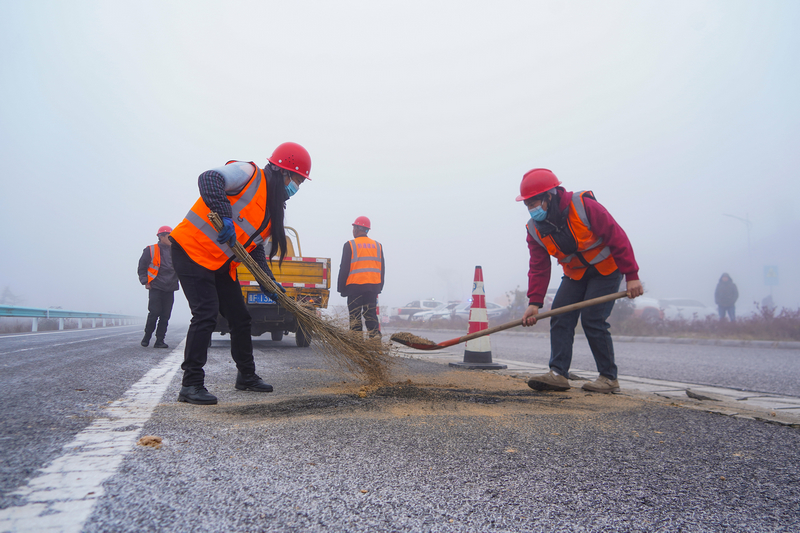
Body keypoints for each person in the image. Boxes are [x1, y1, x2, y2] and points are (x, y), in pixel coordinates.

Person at [168, 142, 311, 405]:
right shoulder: (249, 173)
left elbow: (254, 249)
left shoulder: (270, 211)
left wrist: (268, 283)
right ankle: (191, 384)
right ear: (282, 172)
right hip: (191, 250)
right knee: (206, 313)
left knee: (240, 318)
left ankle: (246, 376)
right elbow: (209, 178)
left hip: (220, 263)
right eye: (297, 180)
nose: (296, 188)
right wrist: (224, 216)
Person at [518, 168, 644, 394]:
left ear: (550, 196)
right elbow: (538, 266)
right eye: (527, 205)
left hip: (606, 270)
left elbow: (617, 236)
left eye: (534, 202)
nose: (531, 209)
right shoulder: (535, 229)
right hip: (575, 274)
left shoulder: (584, 206)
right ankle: (558, 374)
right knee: (559, 315)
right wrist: (534, 303)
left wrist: (632, 276)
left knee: (593, 319)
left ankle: (608, 378)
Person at [337, 216, 385, 338]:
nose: (353, 230)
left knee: (355, 318)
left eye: (354, 227)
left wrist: (341, 289)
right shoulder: (377, 245)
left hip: (354, 288)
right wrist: (379, 287)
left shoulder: (350, 245)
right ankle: (375, 343)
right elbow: (382, 269)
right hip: (372, 288)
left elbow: (344, 268)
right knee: (371, 316)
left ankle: (357, 345)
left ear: (358, 229)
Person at [137, 226, 179, 348]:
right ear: (161, 237)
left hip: (170, 287)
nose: (171, 239)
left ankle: (160, 340)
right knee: (154, 313)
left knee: (165, 315)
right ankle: (147, 337)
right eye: (169, 236)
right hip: (156, 286)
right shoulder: (151, 250)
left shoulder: (176, 251)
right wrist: (145, 281)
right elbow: (142, 267)